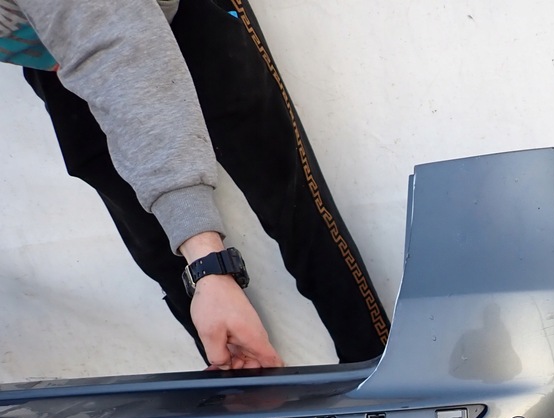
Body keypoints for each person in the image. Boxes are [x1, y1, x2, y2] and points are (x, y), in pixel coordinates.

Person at [1, 0, 390, 369]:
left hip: (181, 18)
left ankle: (377, 369)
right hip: (58, 57)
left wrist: (207, 263)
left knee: (291, 205)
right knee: (157, 250)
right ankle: (244, 388)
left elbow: (119, 52)